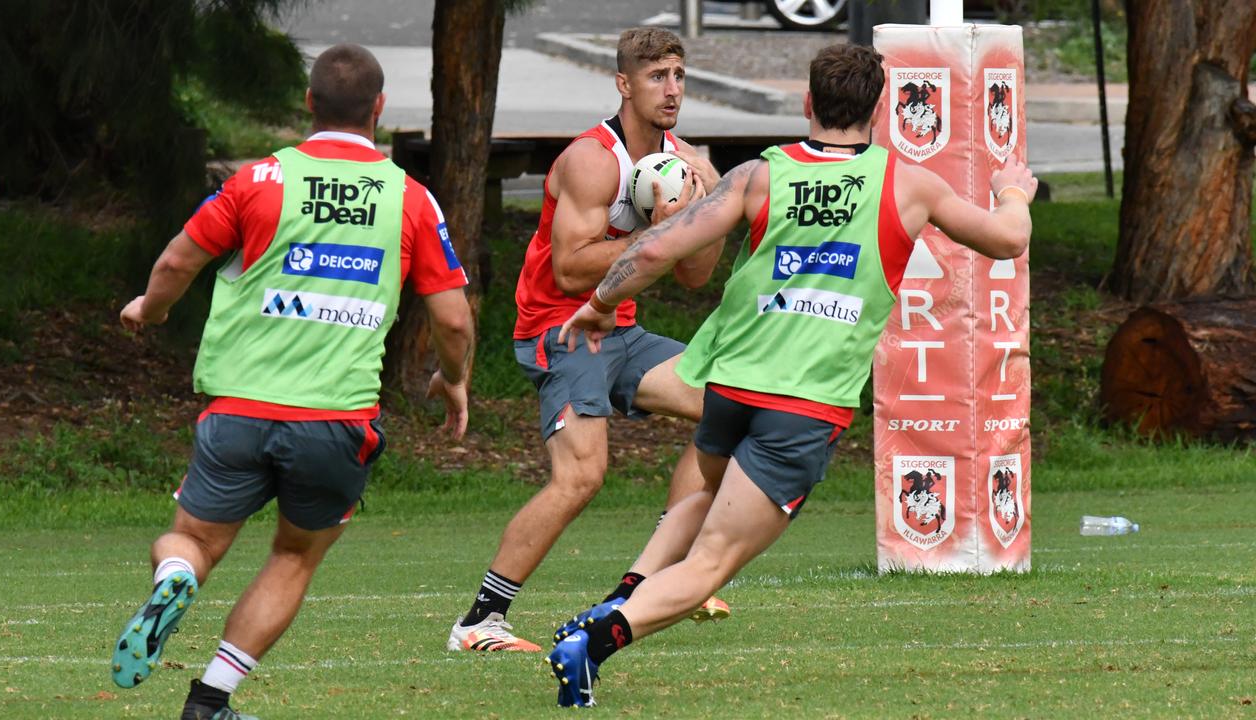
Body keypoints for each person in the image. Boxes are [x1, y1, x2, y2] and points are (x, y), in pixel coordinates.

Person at [547, 43, 1037, 707]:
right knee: (714, 560)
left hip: (730, 388)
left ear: (808, 104)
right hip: (801, 407)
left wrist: (600, 303)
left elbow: (660, 245)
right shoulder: (907, 183)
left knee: (703, 502)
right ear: (879, 108)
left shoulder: (761, 174)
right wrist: (1013, 191)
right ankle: (596, 638)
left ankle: (621, 598)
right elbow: (1007, 238)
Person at [110, 44, 473, 720]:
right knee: (293, 556)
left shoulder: (258, 180)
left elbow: (176, 261)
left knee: (191, 538)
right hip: (335, 422)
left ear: (309, 104)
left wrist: (149, 308)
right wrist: (454, 381)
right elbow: (452, 321)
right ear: (379, 110)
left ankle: (176, 576)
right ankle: (210, 700)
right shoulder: (410, 198)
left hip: (239, 413)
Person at [447, 27, 731, 654]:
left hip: (621, 334)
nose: (672, 89)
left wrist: (703, 215)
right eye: (658, 76)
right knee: (582, 477)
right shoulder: (591, 159)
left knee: (731, 407)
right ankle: (478, 623)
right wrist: (661, 233)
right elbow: (570, 269)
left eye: (679, 75)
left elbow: (693, 275)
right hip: (560, 330)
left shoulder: (685, 161)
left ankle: (659, 579)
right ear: (624, 84)